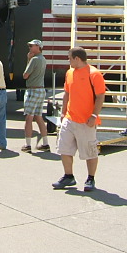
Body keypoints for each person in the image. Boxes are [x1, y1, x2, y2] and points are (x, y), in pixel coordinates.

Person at [52, 47, 105, 191]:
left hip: (86, 121)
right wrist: (63, 114)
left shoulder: (94, 74)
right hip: (69, 119)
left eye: (69, 58)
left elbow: (100, 96)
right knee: (64, 149)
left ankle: (90, 179)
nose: (68, 61)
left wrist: (94, 116)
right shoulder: (69, 73)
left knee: (89, 152)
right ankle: (68, 176)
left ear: (77, 58)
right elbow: (66, 94)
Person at [21, 39, 51, 152]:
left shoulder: (34, 59)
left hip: (33, 90)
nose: (30, 47)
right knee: (38, 117)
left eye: (32, 46)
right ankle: (45, 143)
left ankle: (27, 145)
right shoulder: (43, 59)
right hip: (41, 89)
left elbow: (25, 75)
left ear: (38, 47)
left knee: (29, 117)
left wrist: (28, 60)